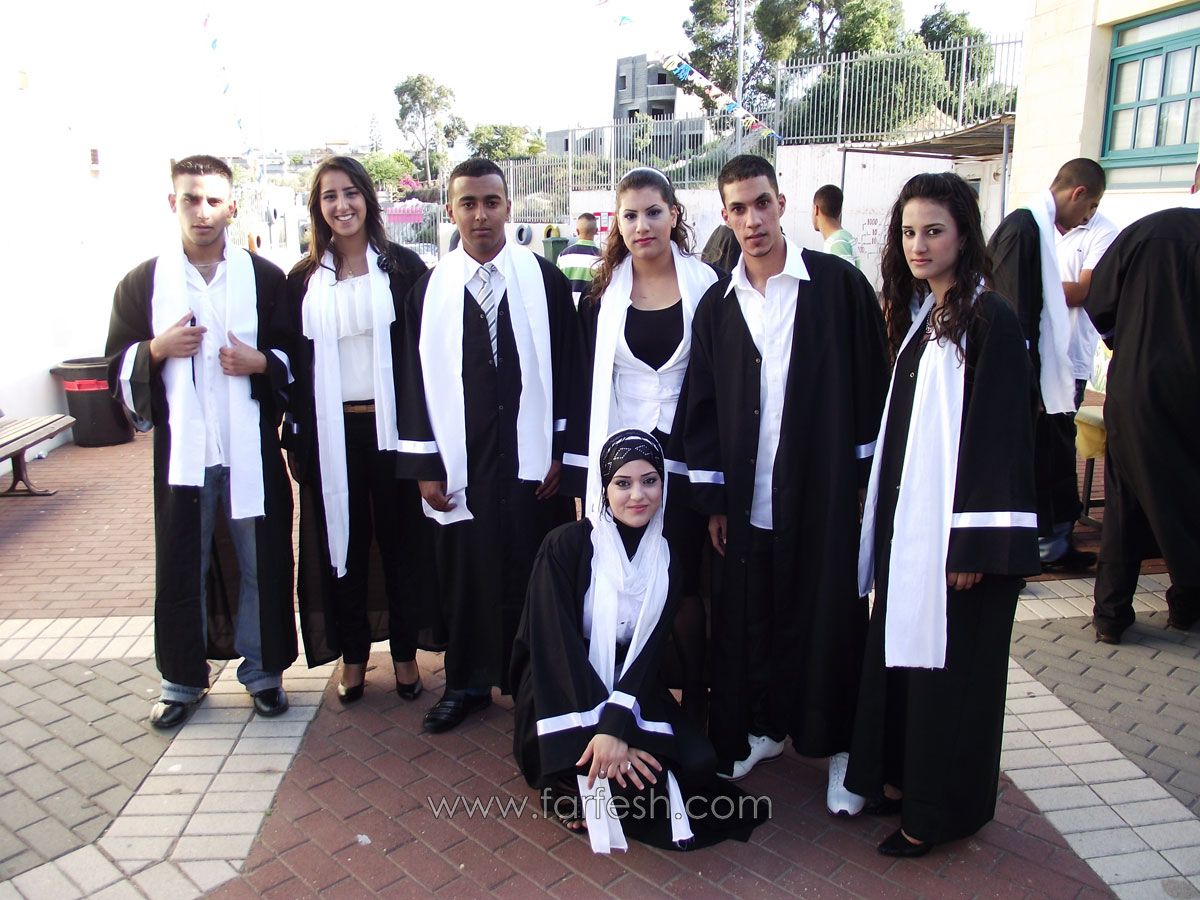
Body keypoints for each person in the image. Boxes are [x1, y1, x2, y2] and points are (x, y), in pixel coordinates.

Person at [681, 154, 889, 813]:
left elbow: (871, 386)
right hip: (749, 500)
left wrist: (861, 483)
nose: (753, 219)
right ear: (725, 216)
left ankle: (840, 749)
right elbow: (702, 407)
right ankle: (766, 728)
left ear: (782, 203)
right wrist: (714, 500)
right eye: (738, 209)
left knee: (831, 622)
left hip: (822, 493)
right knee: (755, 621)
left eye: (762, 203)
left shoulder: (837, 286)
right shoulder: (717, 306)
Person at [846, 171, 1039, 857]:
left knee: (953, 681)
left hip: (958, 543)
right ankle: (902, 781)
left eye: (933, 230)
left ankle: (937, 814)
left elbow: (1000, 443)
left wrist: (972, 547)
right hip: (914, 531)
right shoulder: (930, 312)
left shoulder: (990, 318)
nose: (918, 245)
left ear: (963, 234)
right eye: (908, 232)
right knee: (907, 663)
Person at [105, 155, 297, 728]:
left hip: (248, 451)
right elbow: (115, 365)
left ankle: (263, 674)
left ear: (232, 207)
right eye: (191, 198)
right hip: (184, 456)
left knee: (261, 562)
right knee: (181, 565)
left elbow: (296, 357)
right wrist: (155, 350)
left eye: (214, 200)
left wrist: (262, 362)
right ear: (173, 203)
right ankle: (182, 680)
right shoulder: (143, 283)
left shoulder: (265, 278)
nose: (203, 211)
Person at [511, 429, 765, 853]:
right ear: (604, 488)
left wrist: (618, 727)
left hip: (629, 684)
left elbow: (646, 658)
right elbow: (555, 647)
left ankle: (597, 775)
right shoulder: (565, 546)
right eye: (623, 483)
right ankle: (565, 784)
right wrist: (604, 733)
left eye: (650, 481)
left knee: (698, 764)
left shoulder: (666, 559)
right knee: (609, 773)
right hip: (558, 686)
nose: (638, 496)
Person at [395, 157, 580, 733]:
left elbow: (571, 369)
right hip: (464, 460)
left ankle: (534, 682)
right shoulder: (428, 290)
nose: (480, 215)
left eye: (491, 202)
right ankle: (467, 682)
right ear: (451, 210)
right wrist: (425, 463)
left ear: (508, 207)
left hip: (530, 462)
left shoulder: (545, 281)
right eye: (468, 203)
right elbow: (411, 380)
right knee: (465, 570)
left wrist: (560, 451)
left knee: (534, 566)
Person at [562, 167, 719, 725]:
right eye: (630, 215)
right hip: (623, 463)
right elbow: (584, 385)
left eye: (653, 211)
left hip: (687, 456)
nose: (642, 224)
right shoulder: (601, 297)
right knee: (626, 579)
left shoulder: (709, 286)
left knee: (684, 579)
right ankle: (630, 694)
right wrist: (584, 479)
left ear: (674, 214)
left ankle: (695, 695)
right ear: (618, 224)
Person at [283, 156, 438, 703]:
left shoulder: (403, 268)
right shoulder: (302, 279)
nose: (342, 205)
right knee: (341, 545)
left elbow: (425, 354)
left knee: (401, 545)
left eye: (350, 193)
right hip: (332, 436)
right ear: (317, 207)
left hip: (393, 431)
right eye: (329, 196)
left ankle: (404, 654)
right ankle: (352, 656)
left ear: (368, 199)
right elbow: (292, 362)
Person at [1085, 173, 1200, 644]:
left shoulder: (1149, 229)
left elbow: (1098, 300)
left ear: (1194, 184)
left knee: (1125, 498)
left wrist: (1126, 340)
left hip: (1138, 386)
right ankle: (1187, 605)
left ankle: (1111, 615)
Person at [988, 158, 1106, 571]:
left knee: (1053, 455)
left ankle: (1053, 544)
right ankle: (1034, 549)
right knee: (1035, 461)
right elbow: (1013, 308)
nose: (1085, 219)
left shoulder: (1034, 227)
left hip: (1039, 371)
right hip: (1026, 372)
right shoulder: (1023, 228)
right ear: (1078, 193)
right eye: (1089, 208)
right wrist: (1027, 381)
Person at [1057, 210, 1119, 408]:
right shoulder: (1038, 222)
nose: (1086, 214)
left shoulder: (1104, 232)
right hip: (1032, 351)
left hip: (1071, 359)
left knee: (1059, 426)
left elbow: (1082, 292)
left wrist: (1028, 285)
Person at [557, 212, 602, 306]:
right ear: (596, 231)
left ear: (577, 231)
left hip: (568, 310)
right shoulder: (602, 258)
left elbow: (558, 286)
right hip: (590, 311)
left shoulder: (563, 256)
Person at [812, 184, 860, 268]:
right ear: (840, 210)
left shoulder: (838, 243)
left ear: (816, 209)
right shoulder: (842, 238)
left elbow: (845, 275)